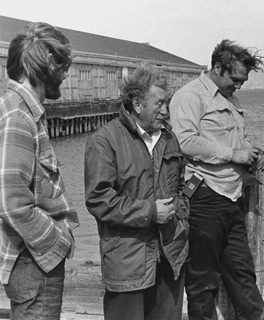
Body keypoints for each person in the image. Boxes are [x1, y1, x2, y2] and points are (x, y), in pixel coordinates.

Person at [169, 39, 264, 320]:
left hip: (231, 196)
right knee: (203, 281)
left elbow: (235, 140)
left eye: (243, 80)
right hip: (204, 196)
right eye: (235, 79)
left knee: (242, 273)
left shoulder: (229, 98)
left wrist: (250, 151)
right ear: (217, 67)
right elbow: (185, 141)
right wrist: (233, 154)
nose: (239, 85)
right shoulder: (190, 96)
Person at [84, 66, 189, 320]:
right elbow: (99, 200)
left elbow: (182, 187)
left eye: (168, 103)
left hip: (170, 260)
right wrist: (151, 212)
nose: (166, 111)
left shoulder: (169, 138)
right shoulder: (105, 141)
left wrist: (182, 213)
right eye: (159, 103)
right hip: (127, 264)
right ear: (137, 104)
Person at [0, 22, 79, 319]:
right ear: (44, 64)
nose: (66, 73)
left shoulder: (16, 109)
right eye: (62, 64)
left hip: (31, 262)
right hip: (34, 263)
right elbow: (12, 203)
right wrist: (58, 240)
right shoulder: (20, 116)